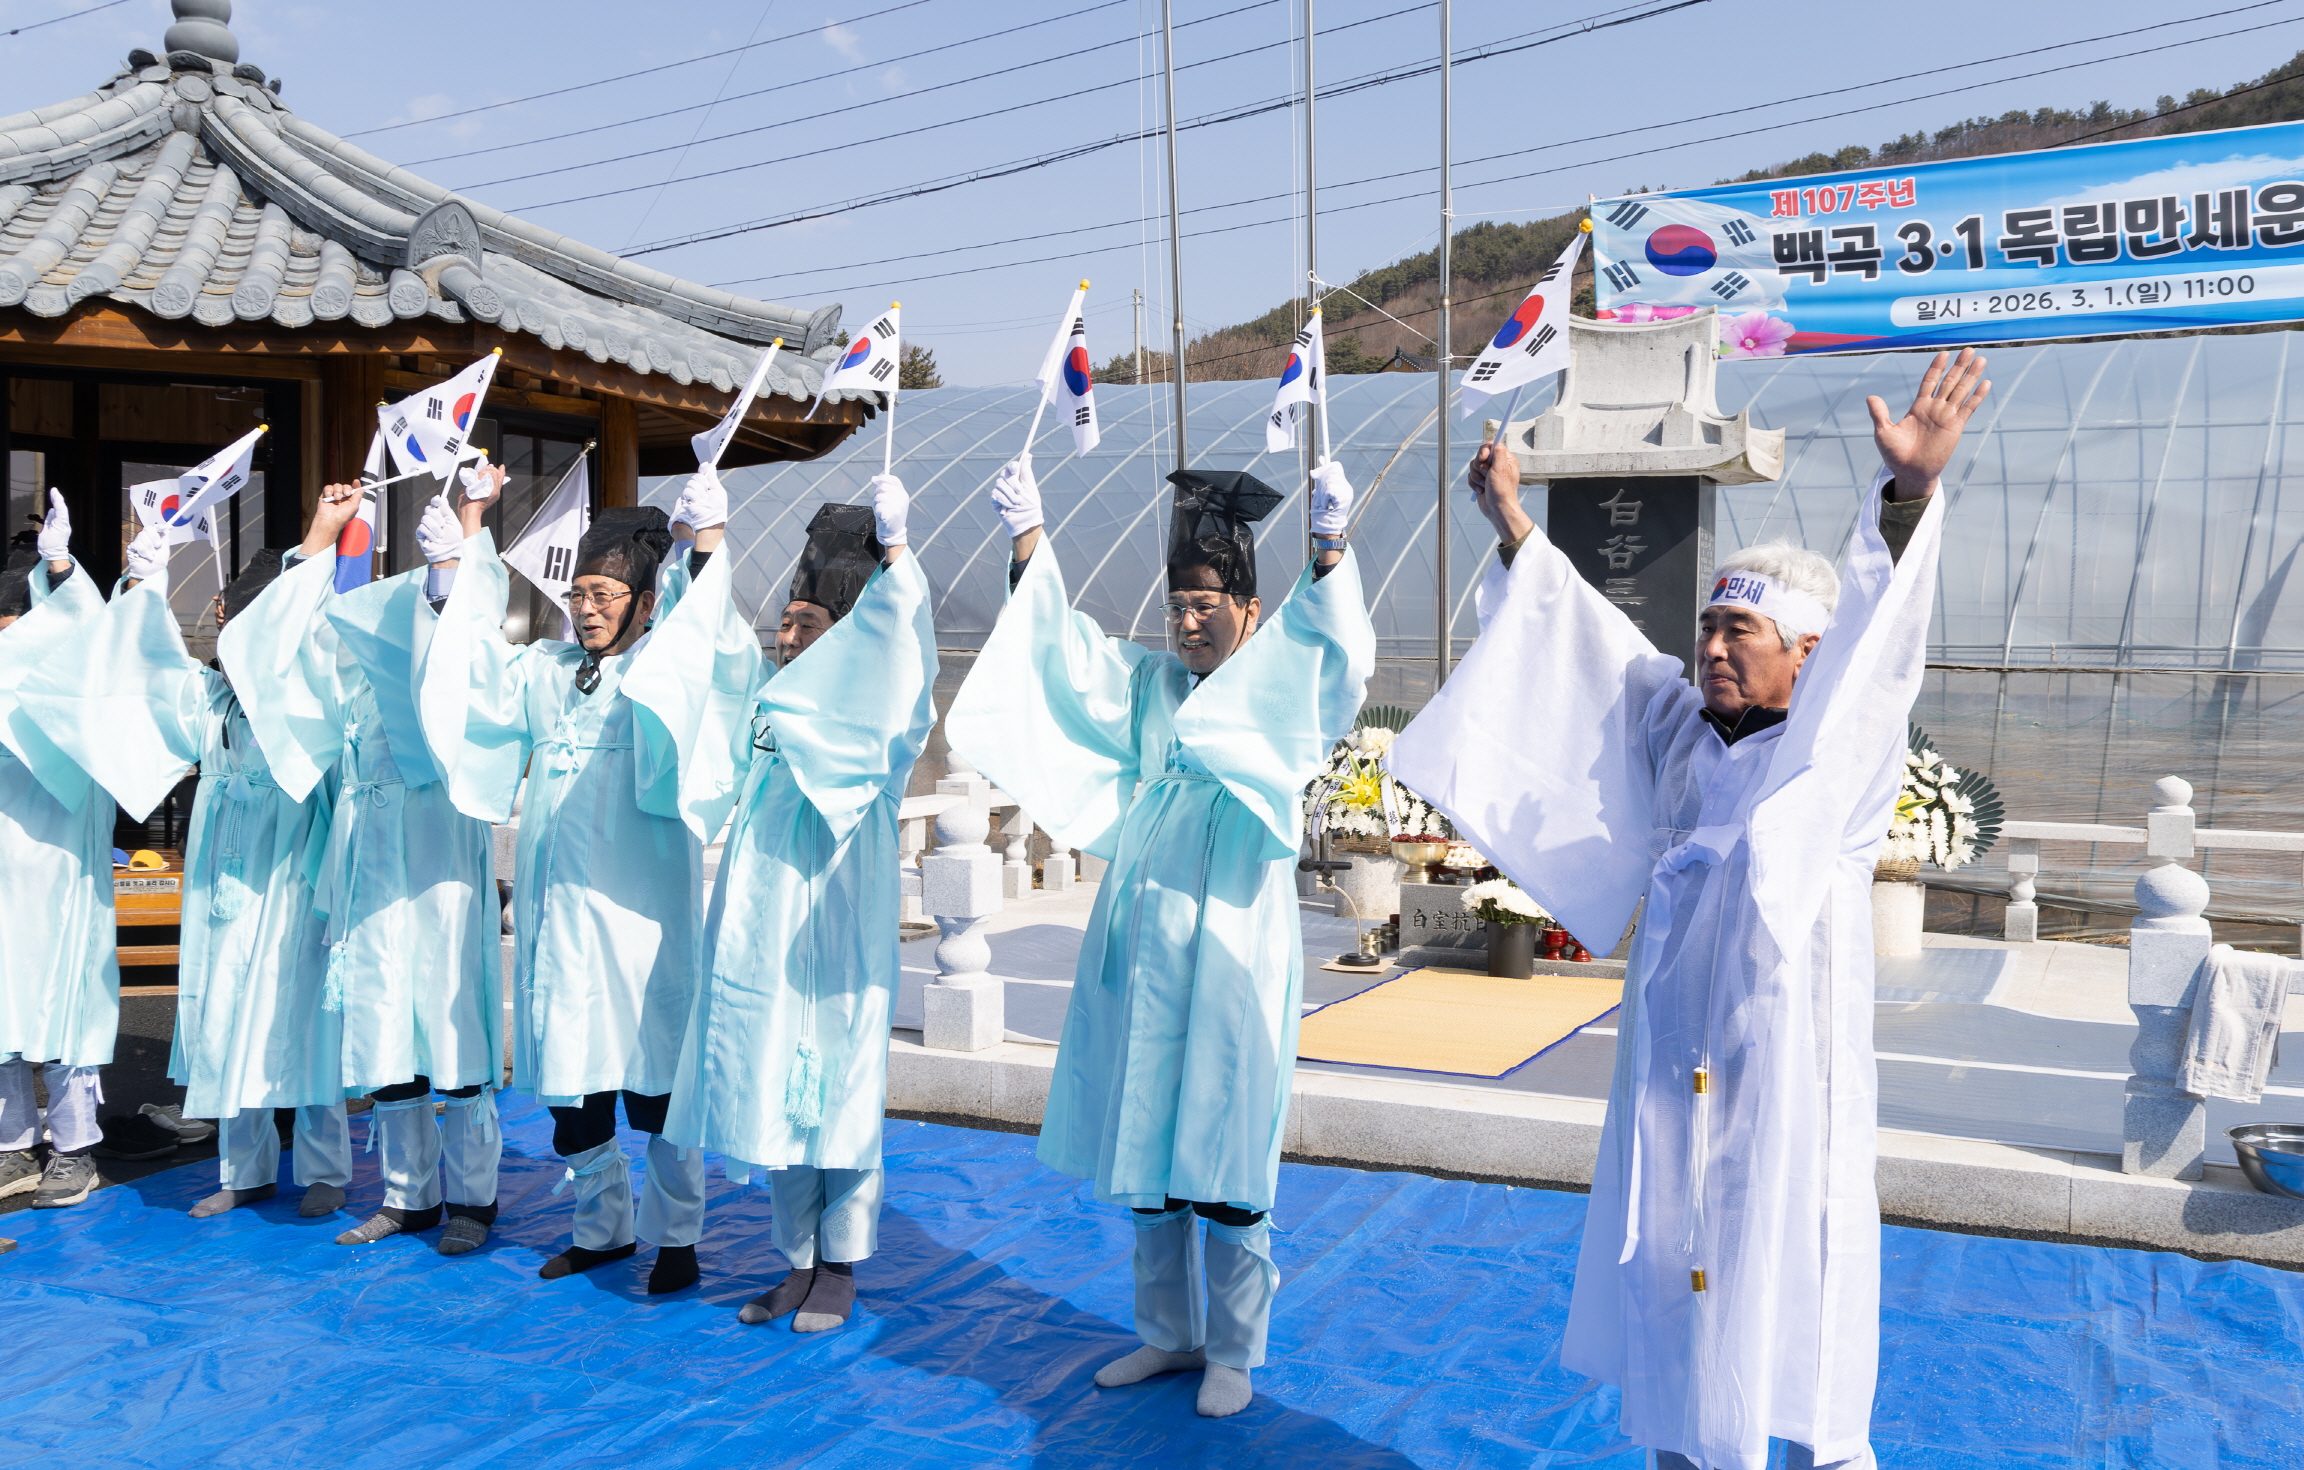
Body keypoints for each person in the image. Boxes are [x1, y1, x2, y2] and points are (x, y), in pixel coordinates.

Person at [1389, 349, 1991, 1470]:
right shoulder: (1681, 738)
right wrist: (1513, 522)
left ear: (1807, 657)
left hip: (1783, 1089)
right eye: (1707, 628)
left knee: (1792, 1297)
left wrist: (1907, 500)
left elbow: (1878, 662)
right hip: (1671, 1081)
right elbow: (1587, 643)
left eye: (1738, 635)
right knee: (1674, 1284)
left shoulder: (1831, 769)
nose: (1711, 648)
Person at [944, 455, 1374, 1418]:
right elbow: (1062, 657)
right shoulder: (1150, 685)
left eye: (1207, 604)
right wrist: (1029, 539)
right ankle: (1170, 1336)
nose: (1187, 621)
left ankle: (1235, 1349)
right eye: (1178, 604)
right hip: (1146, 929)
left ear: (1251, 610)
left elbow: (1334, 655)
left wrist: (1330, 549)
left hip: (1232, 937)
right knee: (1148, 1130)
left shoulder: (1275, 681)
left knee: (1225, 1132)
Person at [420, 492, 747, 1294]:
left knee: (656, 1085)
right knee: (573, 1086)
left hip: (641, 920)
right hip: (558, 913)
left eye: (605, 595)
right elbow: (471, 675)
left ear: (646, 603)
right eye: (578, 594)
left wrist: (706, 546)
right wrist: (456, 565)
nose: (587, 609)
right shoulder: (547, 672)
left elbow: (718, 656)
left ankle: (677, 1238)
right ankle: (602, 1229)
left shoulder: (664, 674)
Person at [634, 470, 935, 1335]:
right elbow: (713, 653)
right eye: (786, 623)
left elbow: (901, 652)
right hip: (764, 920)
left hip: (837, 923)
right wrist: (705, 549)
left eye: (808, 624)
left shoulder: (875, 713)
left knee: (839, 1087)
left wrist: (899, 557)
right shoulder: (767, 701)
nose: (788, 637)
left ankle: (839, 1264)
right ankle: (797, 1260)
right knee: (775, 1080)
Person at [22, 529, 351, 1219]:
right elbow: (141, 674)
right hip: (219, 881)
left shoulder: (308, 696)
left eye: (249, 622)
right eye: (228, 620)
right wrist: (143, 588)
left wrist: (318, 543)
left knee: (299, 1021)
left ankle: (324, 1168)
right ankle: (245, 1169)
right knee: (223, 1018)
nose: (232, 633)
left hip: (290, 879)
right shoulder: (211, 696)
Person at [228, 476, 505, 1251]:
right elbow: (276, 646)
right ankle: (409, 1195)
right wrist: (322, 533)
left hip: (438, 872)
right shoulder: (344, 686)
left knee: (450, 1031)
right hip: (368, 876)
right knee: (385, 1028)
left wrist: (455, 556)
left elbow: (472, 637)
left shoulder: (443, 674)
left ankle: (473, 1199)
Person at [0, 494, 114, 1210]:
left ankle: (75, 1148)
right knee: (1, 1008)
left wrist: (63, 569)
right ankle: (13, 1143)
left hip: (61, 870)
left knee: (66, 1003)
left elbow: (91, 636)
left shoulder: (74, 688)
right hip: (4, 875)